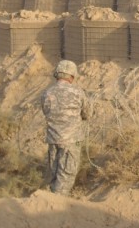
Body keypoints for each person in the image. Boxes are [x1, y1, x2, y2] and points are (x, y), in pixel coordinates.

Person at [41, 59, 91, 195]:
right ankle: (56, 206)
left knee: (54, 174)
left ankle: (48, 201)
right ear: (72, 76)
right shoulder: (78, 92)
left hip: (53, 140)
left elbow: (46, 112)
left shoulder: (47, 93)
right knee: (66, 176)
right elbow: (87, 113)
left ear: (57, 74)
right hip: (71, 141)